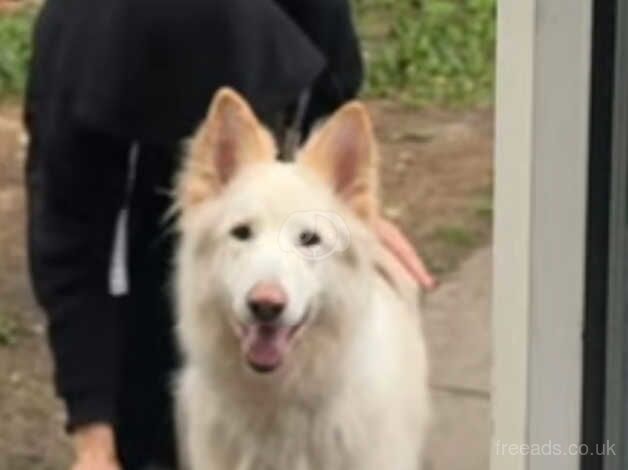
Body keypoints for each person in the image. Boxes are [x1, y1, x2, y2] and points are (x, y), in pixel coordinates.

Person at [24, 0, 435, 469]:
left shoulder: (306, 20)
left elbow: (333, 92)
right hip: (116, 111)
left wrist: (341, 211)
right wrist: (94, 441)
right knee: (148, 394)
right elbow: (71, 243)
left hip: (249, 104)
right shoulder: (75, 46)